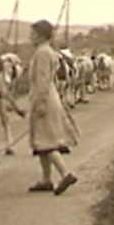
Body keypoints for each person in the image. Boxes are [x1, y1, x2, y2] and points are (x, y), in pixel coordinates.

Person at [26, 19, 79, 195]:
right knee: (42, 139)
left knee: (47, 141)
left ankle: (65, 173)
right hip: (50, 96)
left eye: (33, 34)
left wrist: (40, 103)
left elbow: (42, 80)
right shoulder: (48, 51)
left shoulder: (41, 53)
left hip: (45, 99)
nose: (30, 37)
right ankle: (46, 179)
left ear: (41, 36)